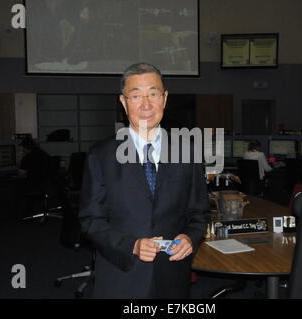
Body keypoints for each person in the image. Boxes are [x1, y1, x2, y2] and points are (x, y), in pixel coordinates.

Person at [78, 62, 210, 299]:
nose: (146, 104)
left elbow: (199, 212)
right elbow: (90, 220)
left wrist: (190, 236)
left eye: (153, 94)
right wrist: (131, 245)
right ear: (123, 102)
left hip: (172, 275)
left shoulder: (187, 152)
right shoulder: (101, 156)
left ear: (165, 98)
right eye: (136, 95)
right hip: (121, 275)